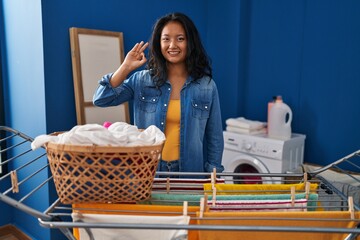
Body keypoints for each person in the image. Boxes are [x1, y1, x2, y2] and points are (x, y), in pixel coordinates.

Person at [93, 12, 224, 174]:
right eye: (166, 39)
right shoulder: (141, 81)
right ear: (158, 43)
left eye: (180, 39)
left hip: (190, 174)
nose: (172, 45)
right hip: (147, 173)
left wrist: (215, 174)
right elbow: (101, 98)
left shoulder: (207, 86)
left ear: (190, 42)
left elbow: (215, 137)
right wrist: (125, 67)